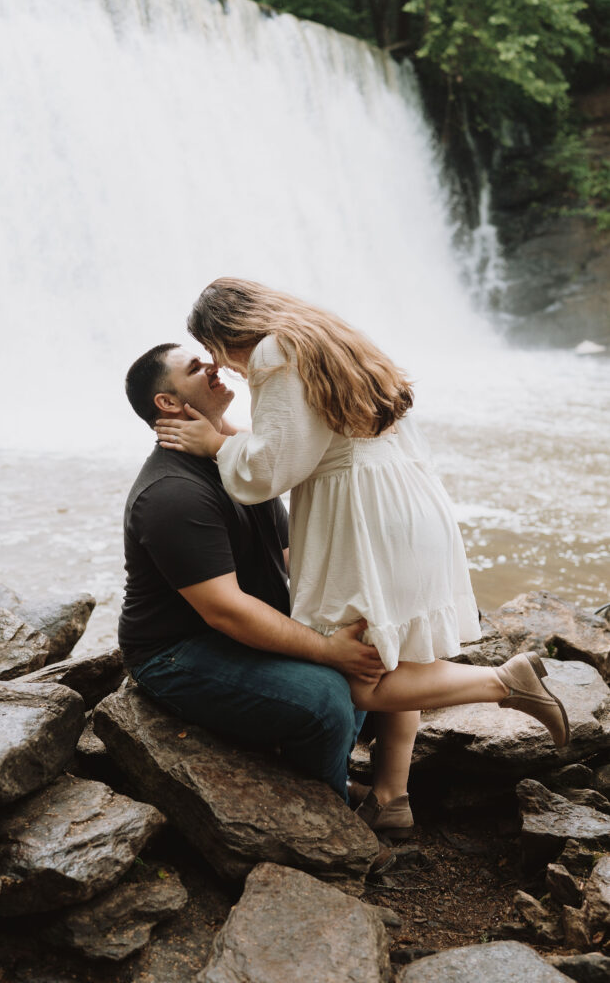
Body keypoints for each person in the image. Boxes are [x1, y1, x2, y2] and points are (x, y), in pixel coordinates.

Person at [155, 277, 570, 839]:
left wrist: (214, 445)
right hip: (407, 501)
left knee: (358, 676)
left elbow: (271, 469)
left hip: (362, 517)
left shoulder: (274, 353)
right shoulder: (329, 337)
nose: (223, 368)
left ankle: (505, 682)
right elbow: (303, 436)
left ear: (229, 334)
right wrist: (227, 430)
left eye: (216, 353)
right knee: (396, 657)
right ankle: (392, 799)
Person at [118, 341, 385, 810]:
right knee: (325, 696)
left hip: (239, 626)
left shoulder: (239, 460)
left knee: (365, 637)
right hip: (178, 651)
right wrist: (325, 649)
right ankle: (329, 816)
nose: (215, 368)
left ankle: (322, 772)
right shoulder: (171, 494)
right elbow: (225, 611)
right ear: (168, 404)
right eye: (197, 368)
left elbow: (294, 556)